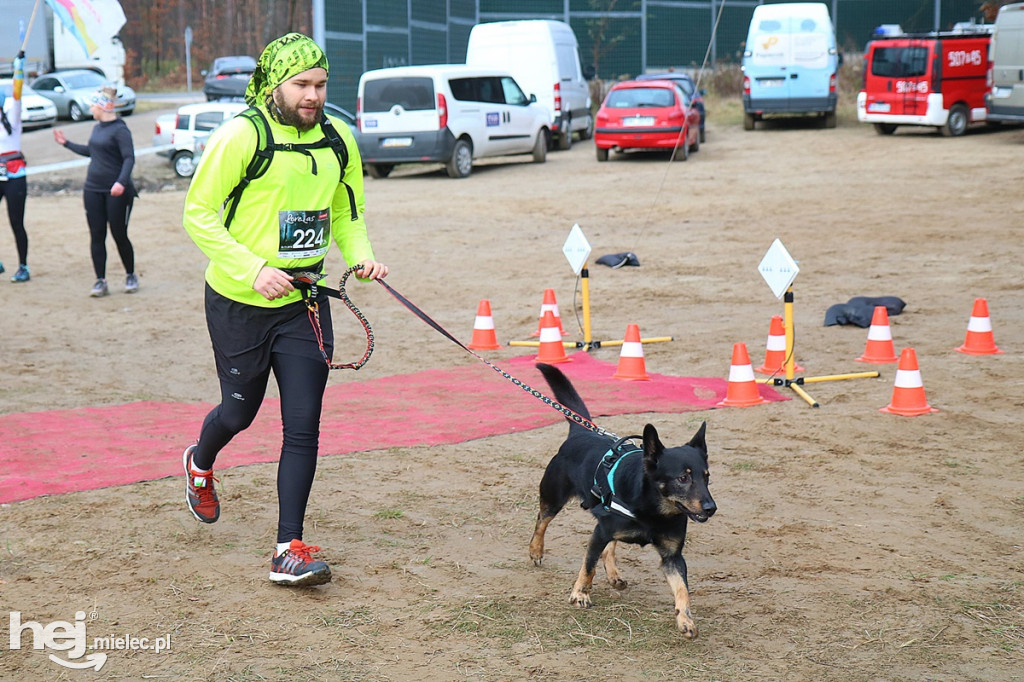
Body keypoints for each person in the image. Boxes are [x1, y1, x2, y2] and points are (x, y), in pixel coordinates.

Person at [181, 33, 388, 587]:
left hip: (305, 303)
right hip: (238, 301)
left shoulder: (339, 139)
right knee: (239, 413)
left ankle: (287, 548)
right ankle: (200, 463)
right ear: (275, 84)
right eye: (301, 84)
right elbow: (198, 215)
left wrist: (363, 257)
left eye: (320, 85)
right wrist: (253, 269)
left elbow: (348, 214)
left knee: (303, 425)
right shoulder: (241, 137)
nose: (313, 95)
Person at [52, 85, 139, 297]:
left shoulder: (120, 129)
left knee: (119, 234)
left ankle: (130, 274)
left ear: (103, 107)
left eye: (93, 105)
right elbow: (93, 151)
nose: (91, 108)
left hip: (116, 191)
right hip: (93, 189)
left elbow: (129, 158)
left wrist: (120, 182)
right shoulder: (97, 128)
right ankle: (100, 281)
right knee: (97, 235)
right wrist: (67, 144)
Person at [0, 50, 30, 283]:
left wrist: (18, 69)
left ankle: (23, 266)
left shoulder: (12, 115)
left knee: (16, 221)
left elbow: (18, 94)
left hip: (15, 174)